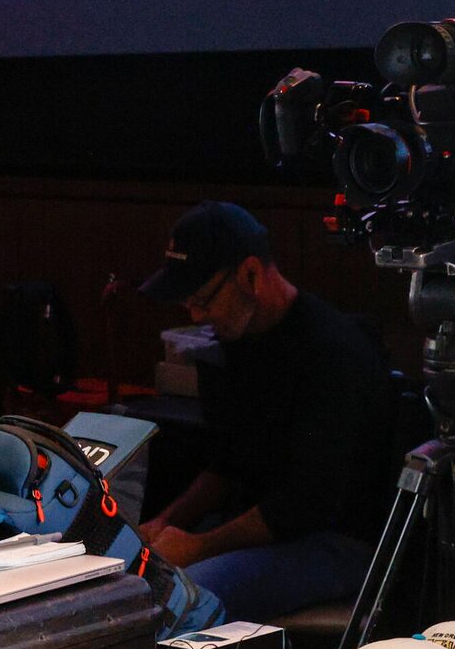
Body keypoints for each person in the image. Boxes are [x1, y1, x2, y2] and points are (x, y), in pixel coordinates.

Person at [137, 201, 394, 620]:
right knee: (130, 583)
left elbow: (304, 504)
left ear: (251, 275)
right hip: (267, 532)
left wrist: (198, 546)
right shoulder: (241, 340)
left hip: (333, 541)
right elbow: (226, 465)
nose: (196, 315)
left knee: (174, 604)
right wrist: (163, 524)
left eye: (202, 299)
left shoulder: (333, 352)